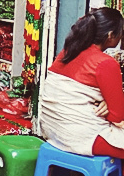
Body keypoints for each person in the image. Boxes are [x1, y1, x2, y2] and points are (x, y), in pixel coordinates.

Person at [40, 8, 124, 159]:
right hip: (80, 137)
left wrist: (104, 102)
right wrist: (107, 103)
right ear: (111, 35)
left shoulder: (67, 52)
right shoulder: (105, 63)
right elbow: (117, 116)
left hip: (52, 130)